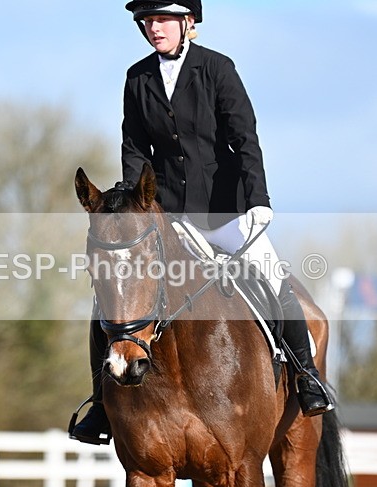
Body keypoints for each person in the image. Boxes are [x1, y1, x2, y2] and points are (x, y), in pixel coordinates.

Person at [70, 0, 333, 445]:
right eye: (147, 21)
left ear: (187, 23)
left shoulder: (217, 68)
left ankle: (306, 378)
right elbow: (135, 147)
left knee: (273, 280)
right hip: (167, 214)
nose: (153, 28)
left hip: (227, 209)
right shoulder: (138, 78)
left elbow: (244, 137)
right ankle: (101, 403)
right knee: (112, 301)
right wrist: (137, 204)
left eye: (162, 20)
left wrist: (258, 201)